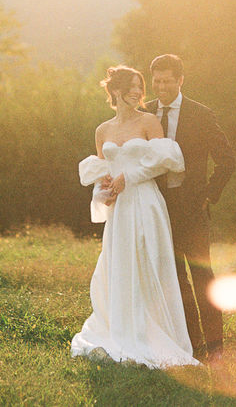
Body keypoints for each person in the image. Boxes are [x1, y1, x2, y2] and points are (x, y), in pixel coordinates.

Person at [70, 65, 199, 368]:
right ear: (115, 91)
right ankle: (122, 330)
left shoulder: (149, 121)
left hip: (145, 203)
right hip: (121, 211)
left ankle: (151, 334)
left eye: (140, 87)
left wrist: (130, 176)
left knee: (147, 264)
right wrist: (105, 194)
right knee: (119, 267)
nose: (139, 92)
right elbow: (104, 173)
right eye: (132, 87)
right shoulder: (103, 130)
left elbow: (167, 161)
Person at [146, 54, 235, 361]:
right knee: (174, 278)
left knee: (202, 276)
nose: (161, 87)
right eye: (156, 81)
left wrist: (210, 194)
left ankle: (215, 346)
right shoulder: (145, 114)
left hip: (193, 206)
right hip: (158, 207)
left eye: (167, 81)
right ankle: (192, 344)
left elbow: (227, 159)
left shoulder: (200, 114)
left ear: (180, 80)